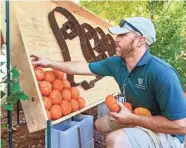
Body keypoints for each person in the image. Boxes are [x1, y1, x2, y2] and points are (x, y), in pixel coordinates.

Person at [31, 17, 186, 148]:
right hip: (136, 117)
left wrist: (134, 120)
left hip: (167, 134)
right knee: (100, 125)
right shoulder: (117, 63)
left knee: (115, 140)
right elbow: (81, 67)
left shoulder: (162, 73)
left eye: (123, 35)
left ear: (140, 41)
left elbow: (181, 126)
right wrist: (49, 63)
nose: (116, 39)